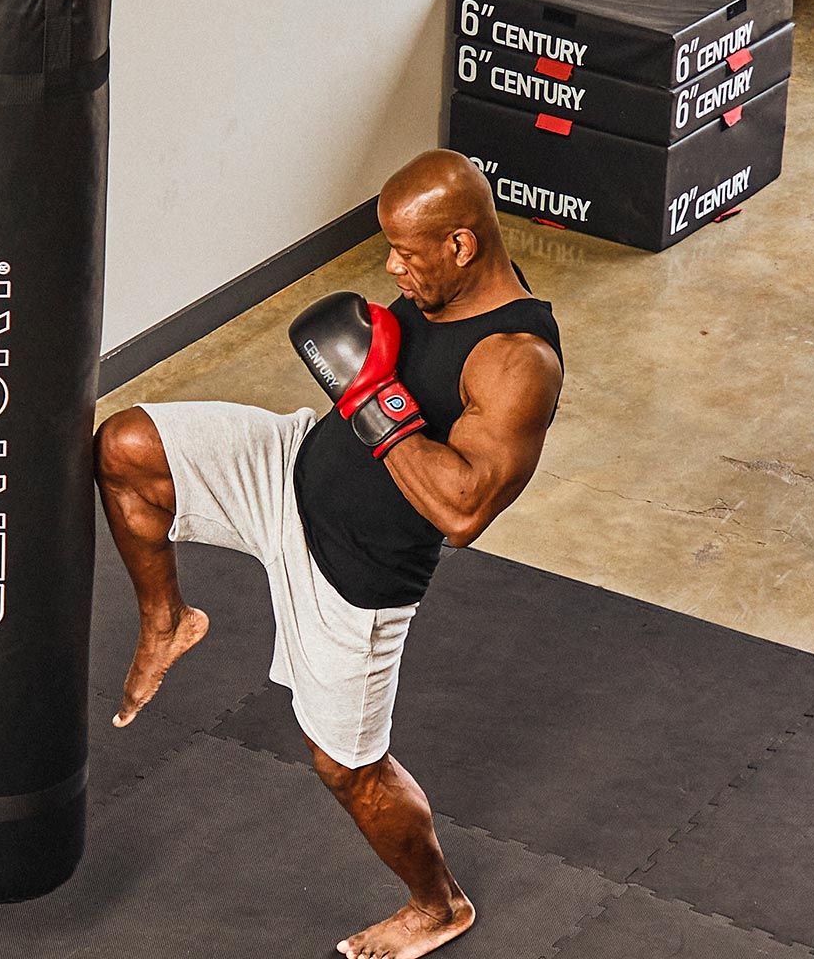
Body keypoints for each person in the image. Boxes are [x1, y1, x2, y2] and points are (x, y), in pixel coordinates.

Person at [94, 149, 564, 959]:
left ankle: (437, 904)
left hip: (356, 581)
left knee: (348, 769)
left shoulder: (519, 362)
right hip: (291, 469)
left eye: (407, 256)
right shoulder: (449, 279)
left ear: (460, 247)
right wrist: (362, 400)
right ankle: (167, 619)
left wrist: (371, 402)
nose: (391, 269)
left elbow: (463, 509)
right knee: (125, 447)